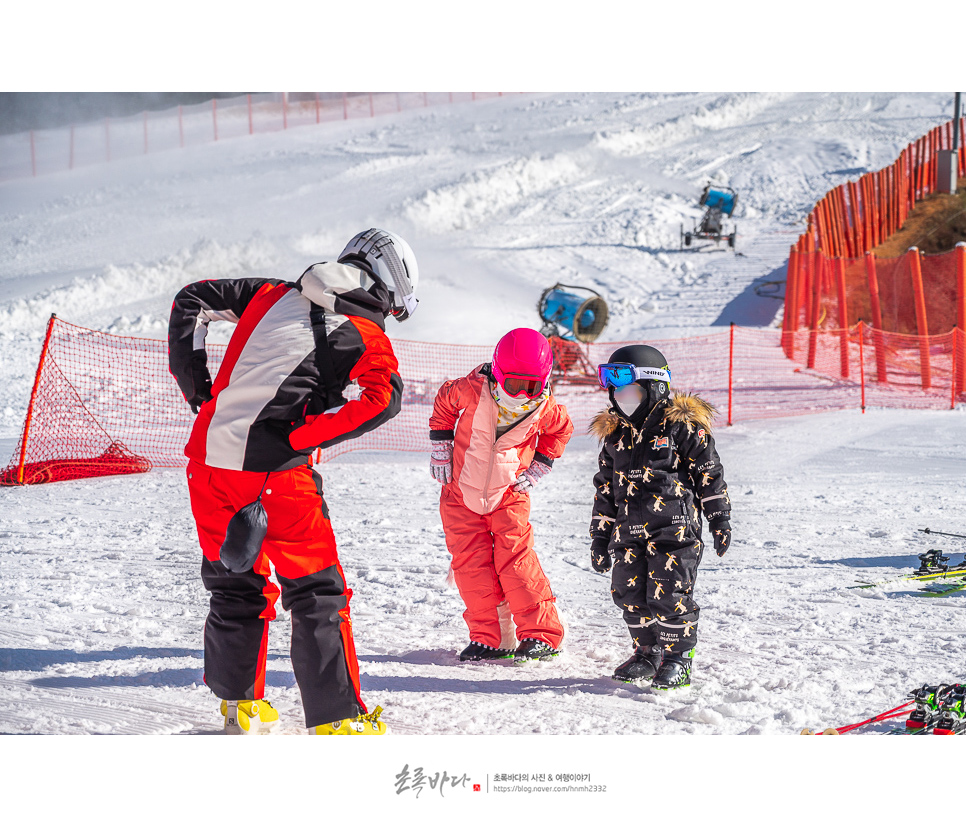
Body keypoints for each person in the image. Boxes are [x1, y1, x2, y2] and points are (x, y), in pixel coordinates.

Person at [168, 228, 418, 734]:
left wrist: (200, 391)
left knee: (235, 583)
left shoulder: (271, 293)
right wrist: (305, 435)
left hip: (209, 463)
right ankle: (338, 721)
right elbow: (383, 399)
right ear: (388, 289)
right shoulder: (366, 334)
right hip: (278, 478)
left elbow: (191, 298)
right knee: (316, 592)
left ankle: (241, 709)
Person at [589, 345, 731, 690]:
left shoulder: (681, 428)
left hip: (675, 531)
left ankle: (678, 658)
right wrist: (600, 536)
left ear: (655, 388)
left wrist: (719, 519)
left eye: (631, 391)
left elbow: (708, 473)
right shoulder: (615, 435)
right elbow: (605, 491)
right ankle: (647, 652)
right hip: (628, 533)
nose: (622, 399)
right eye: (617, 392)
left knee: (670, 595)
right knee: (628, 593)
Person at [429, 328, 573, 663]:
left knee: (517, 563)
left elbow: (560, 430)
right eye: (515, 385)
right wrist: (441, 443)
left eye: (532, 386)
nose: (523, 394)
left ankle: (542, 635)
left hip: (509, 493)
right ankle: (490, 639)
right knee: (470, 567)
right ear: (497, 373)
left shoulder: (544, 408)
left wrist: (541, 464)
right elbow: (444, 403)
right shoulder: (469, 389)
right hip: (460, 492)